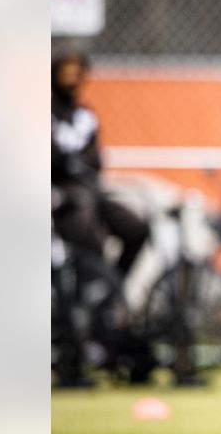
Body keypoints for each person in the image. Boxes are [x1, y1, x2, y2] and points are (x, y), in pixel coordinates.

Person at [51, 51, 149, 279]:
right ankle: (89, 289)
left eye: (77, 73)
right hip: (61, 193)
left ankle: (109, 292)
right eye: (66, 73)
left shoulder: (85, 116)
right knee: (89, 229)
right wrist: (68, 162)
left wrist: (73, 161)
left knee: (136, 228)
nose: (72, 79)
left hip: (89, 189)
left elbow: (95, 160)